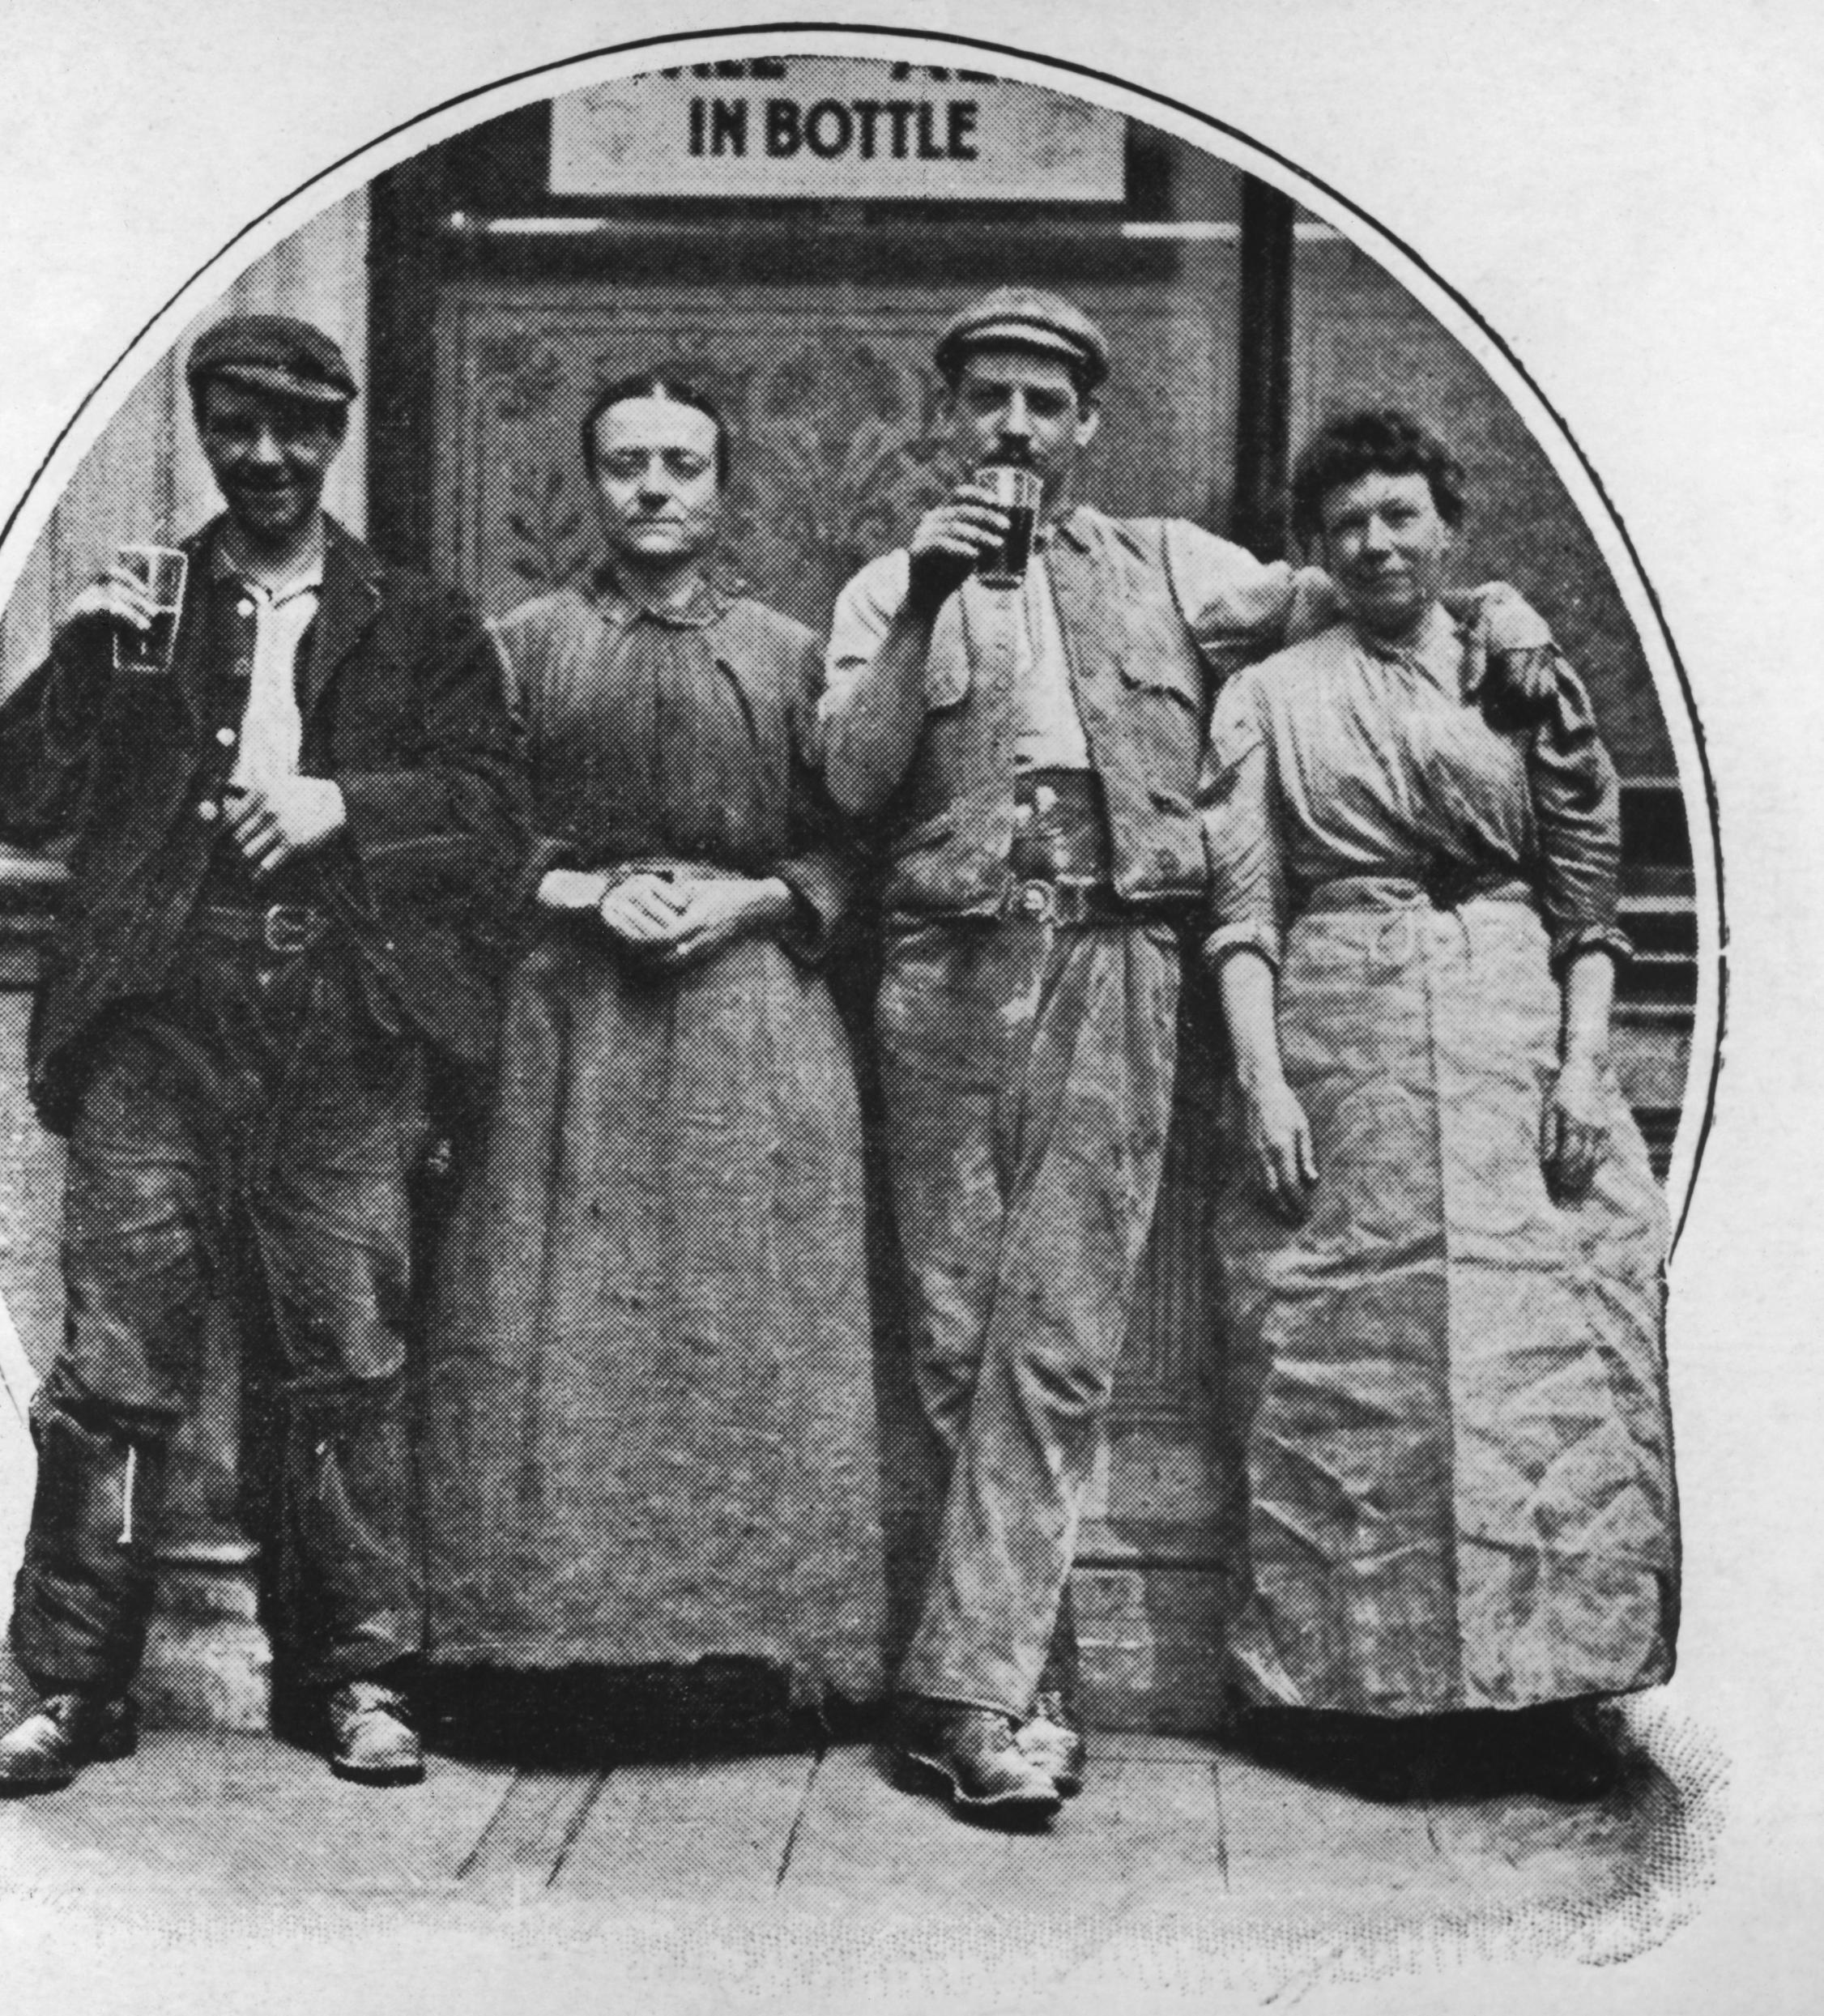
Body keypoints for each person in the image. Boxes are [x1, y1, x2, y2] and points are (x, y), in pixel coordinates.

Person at [821, 288, 1561, 1824]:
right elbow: (851, 778)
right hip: (946, 965)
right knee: (959, 1334)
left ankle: (964, 1692)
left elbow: (1362, 584)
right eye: (989, 400)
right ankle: (1025, 1680)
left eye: (1046, 402)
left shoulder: (1174, 565)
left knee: (1061, 1337)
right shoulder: (889, 585)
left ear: (1089, 422)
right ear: (944, 418)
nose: (1016, 428)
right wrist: (916, 608)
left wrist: (1497, 610)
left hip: (1118, 951)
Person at [0, 313, 526, 1795]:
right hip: (161, 1022)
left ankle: (354, 1678)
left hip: (344, 1025)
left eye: (296, 430)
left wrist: (348, 802)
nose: (267, 457)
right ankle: (77, 1683)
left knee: (345, 1358)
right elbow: (14, 797)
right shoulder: (147, 604)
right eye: (238, 429)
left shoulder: (419, 617)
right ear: (207, 434)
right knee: (114, 1371)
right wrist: (77, 661)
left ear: (336, 436)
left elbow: (492, 818)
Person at [1201, 409, 1679, 1801]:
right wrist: (1263, 1079)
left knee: (1553, 1355)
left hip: (1515, 1028)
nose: (1376, 543)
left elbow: (1591, 896)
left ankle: (1552, 1688)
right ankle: (1356, 1696)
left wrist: (1583, 1064)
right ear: (1316, 547)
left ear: (1446, 527)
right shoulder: (1273, 693)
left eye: (1401, 515)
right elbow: (1241, 910)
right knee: (1347, 1359)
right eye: (1348, 523)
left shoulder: (1518, 674)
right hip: (1338, 1031)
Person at [420, 375, 886, 1731]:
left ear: (723, 486)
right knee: (558, 1326)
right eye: (627, 465)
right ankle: (548, 1655)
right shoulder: (520, 646)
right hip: (570, 1021)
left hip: (750, 1023)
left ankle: (751, 1656)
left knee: (743, 1329)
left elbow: (854, 838)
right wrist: (582, 895)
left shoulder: (798, 655)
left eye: (684, 463)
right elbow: (468, 828)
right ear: (592, 485)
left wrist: (751, 898)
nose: (656, 489)